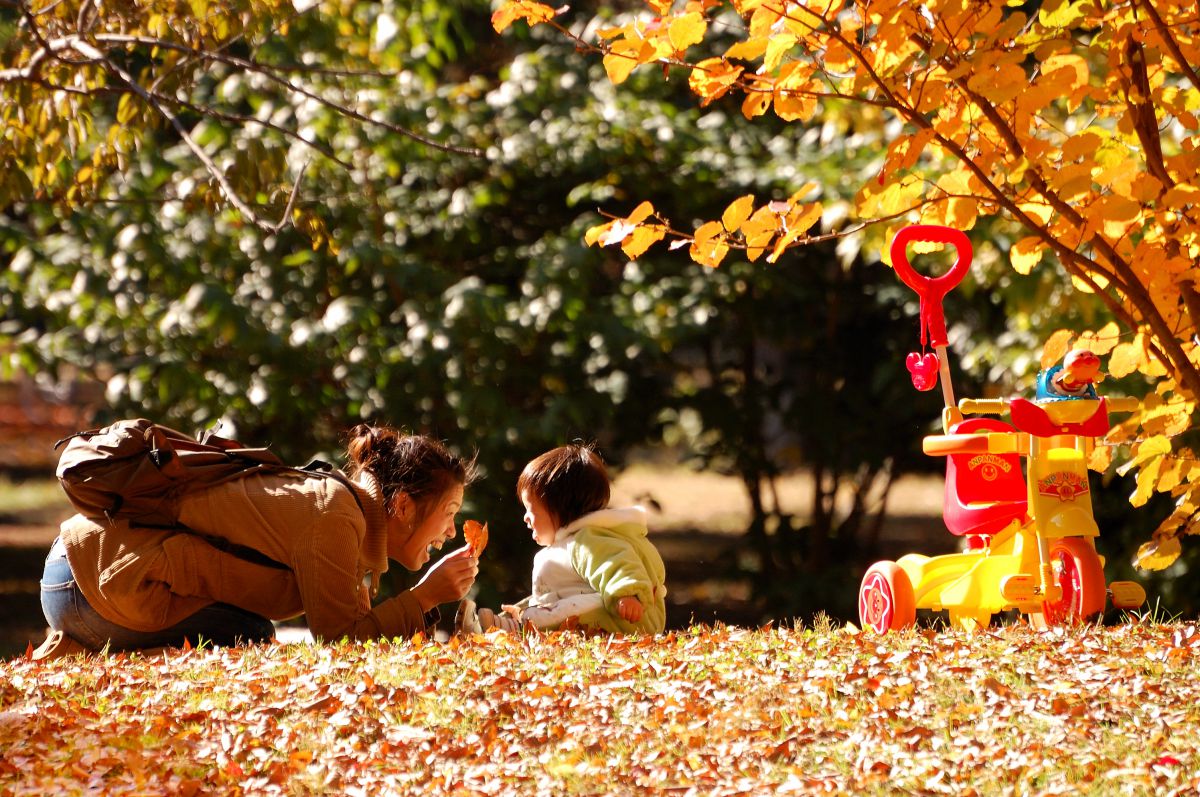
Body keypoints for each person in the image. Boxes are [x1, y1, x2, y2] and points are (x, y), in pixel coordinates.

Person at [33, 425, 479, 659]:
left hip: (77, 576)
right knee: (250, 634)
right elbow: (343, 640)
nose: (450, 532)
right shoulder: (336, 517)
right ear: (402, 506)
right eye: (449, 514)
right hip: (84, 583)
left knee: (249, 630)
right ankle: (86, 643)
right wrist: (424, 596)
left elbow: (359, 629)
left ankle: (85, 642)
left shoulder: (345, 513)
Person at [457, 443, 667, 635]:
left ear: (559, 509)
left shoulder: (589, 540)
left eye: (531, 510)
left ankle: (513, 628)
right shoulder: (569, 543)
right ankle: (494, 626)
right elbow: (555, 597)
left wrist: (627, 595)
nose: (526, 518)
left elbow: (617, 563)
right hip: (597, 616)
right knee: (536, 607)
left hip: (626, 617)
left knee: (573, 608)